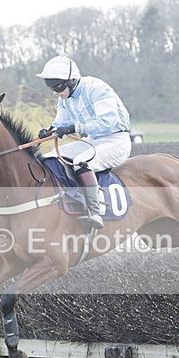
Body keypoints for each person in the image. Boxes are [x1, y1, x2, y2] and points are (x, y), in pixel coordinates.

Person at [36, 55, 131, 229]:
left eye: (58, 87)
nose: (56, 92)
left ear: (71, 81)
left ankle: (95, 212)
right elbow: (61, 124)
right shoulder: (64, 98)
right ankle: (69, 200)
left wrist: (74, 128)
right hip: (91, 141)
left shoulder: (97, 88)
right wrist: (49, 131)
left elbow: (107, 123)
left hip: (116, 140)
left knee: (81, 162)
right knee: (48, 159)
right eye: (51, 89)